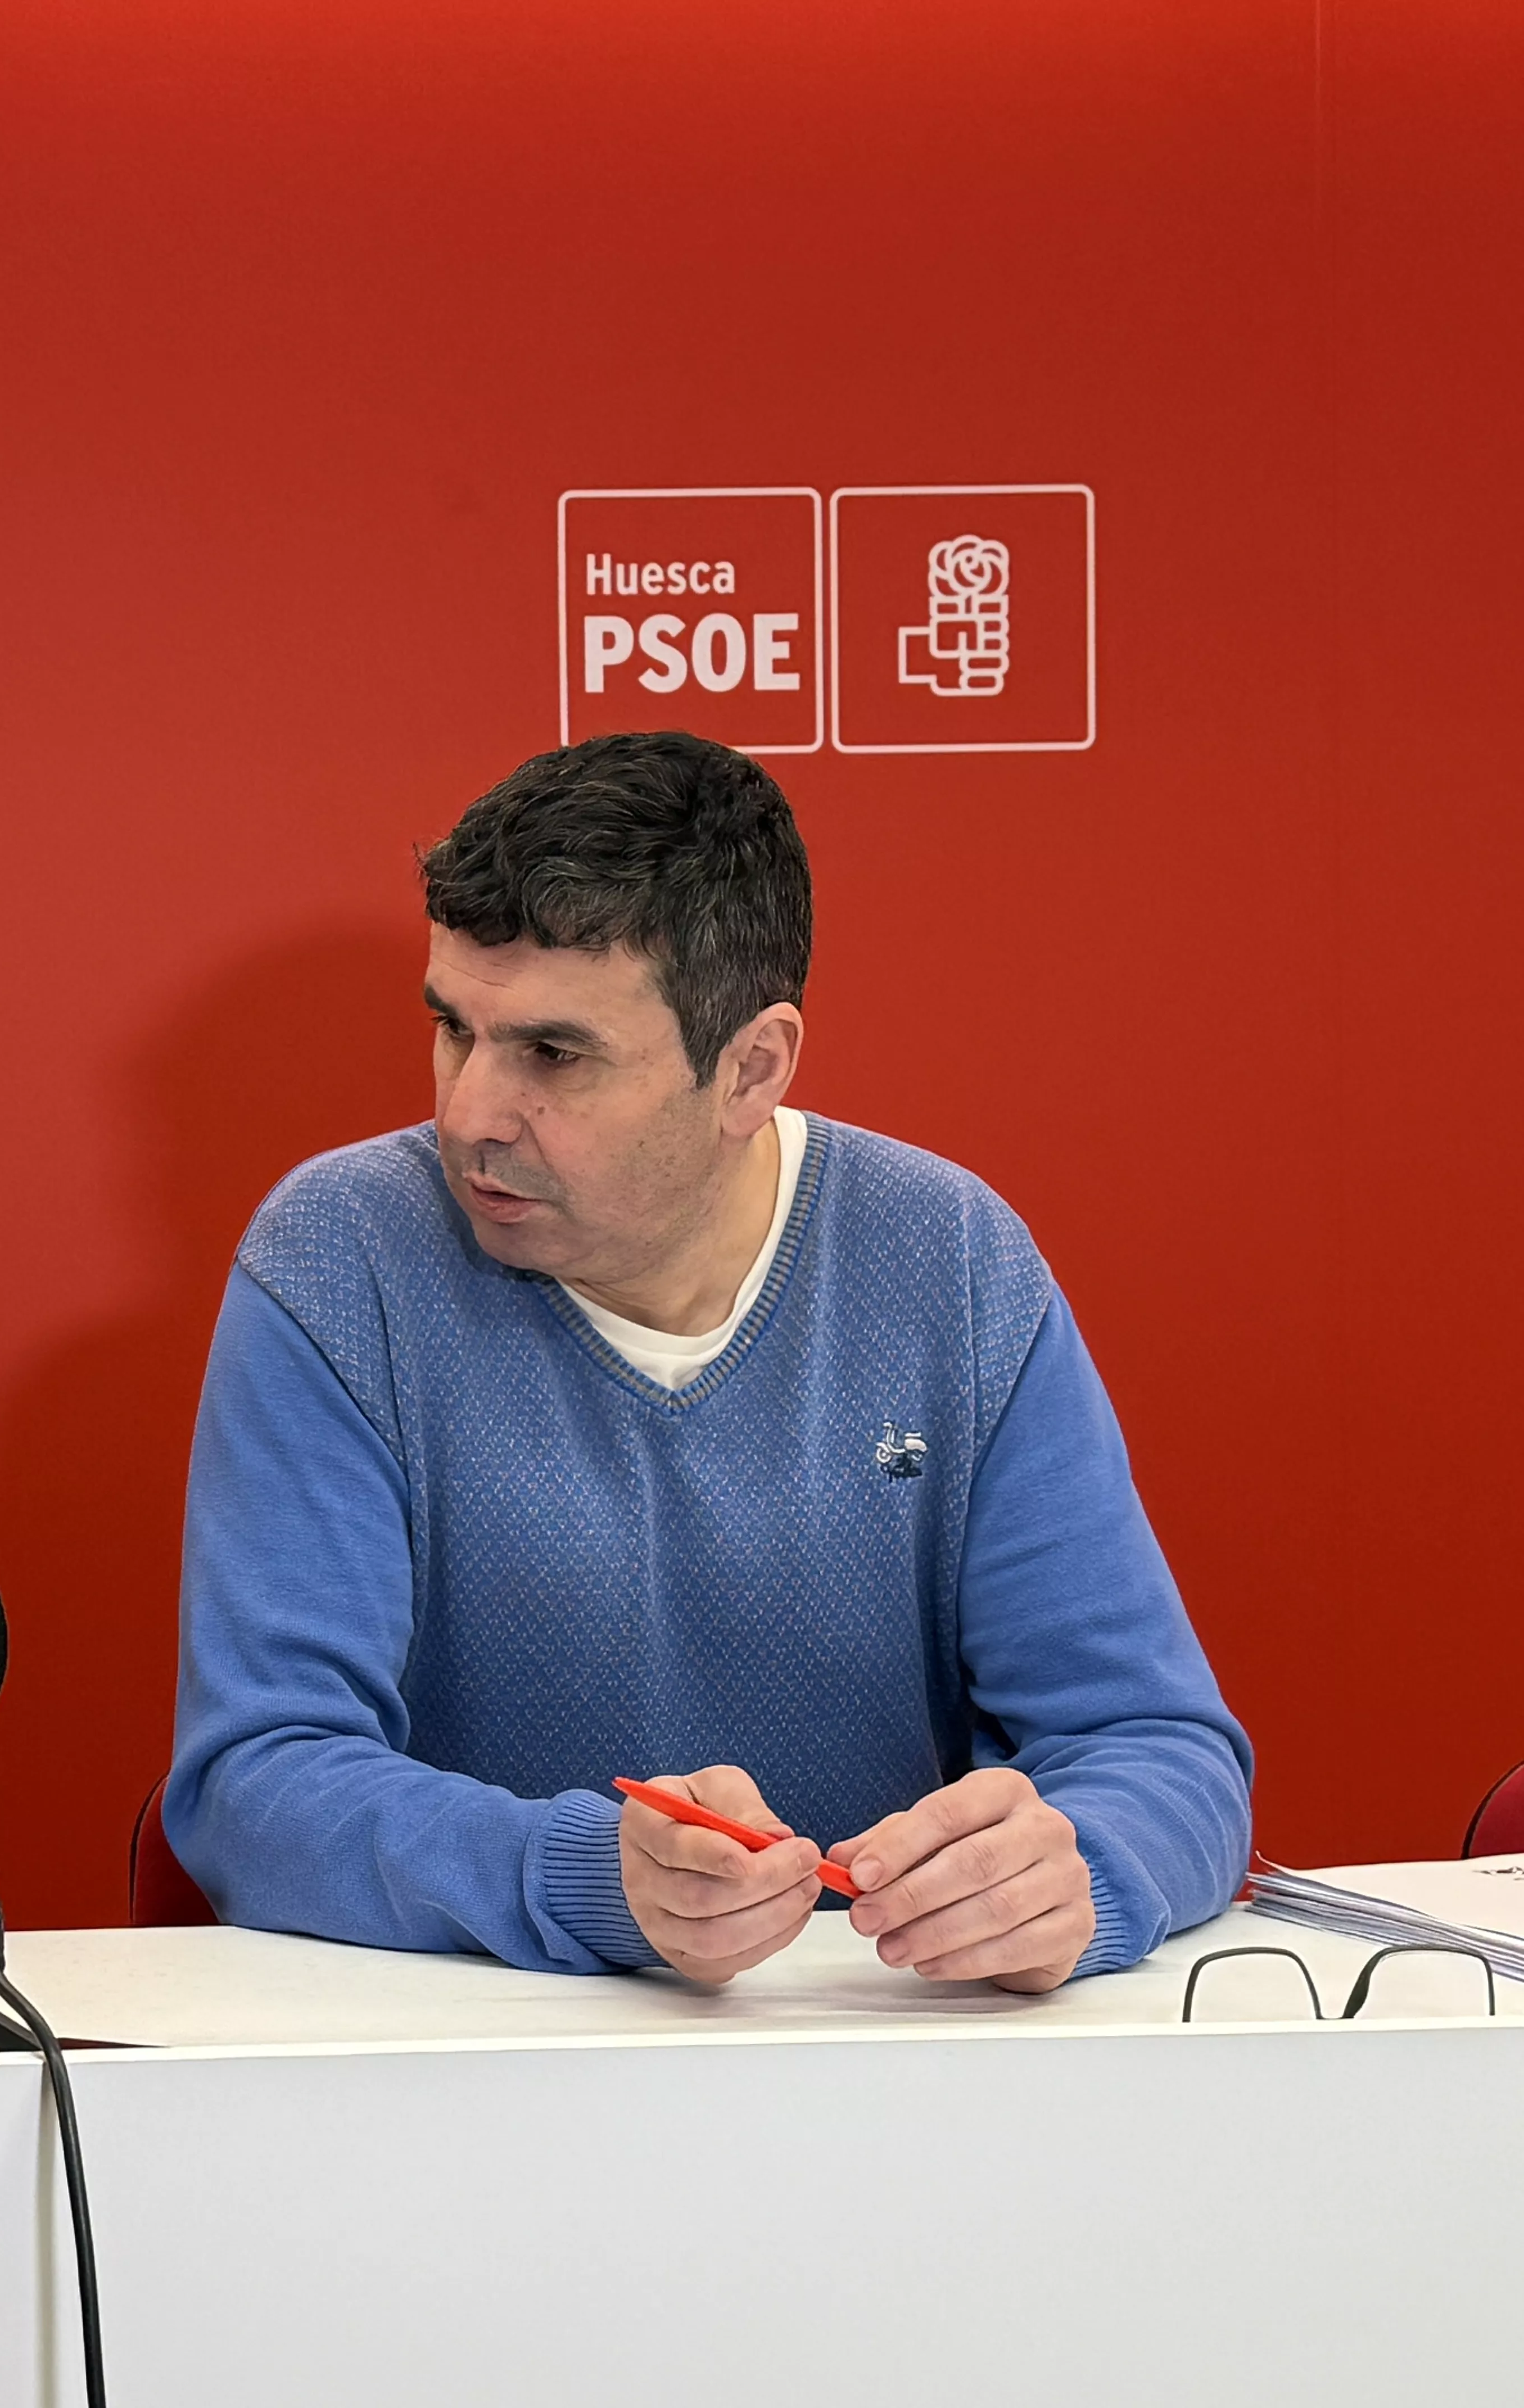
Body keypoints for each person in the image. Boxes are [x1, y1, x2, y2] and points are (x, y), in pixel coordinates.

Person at [164, 732, 1252, 1992]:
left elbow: (1159, 1745)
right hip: (475, 2070)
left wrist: (1081, 1878)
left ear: (751, 1068)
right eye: (453, 1028)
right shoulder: (339, 1256)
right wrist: (587, 1882)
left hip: (888, 2059)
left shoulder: (948, 1259)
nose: (468, 1111)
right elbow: (257, 1782)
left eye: (553, 1056)